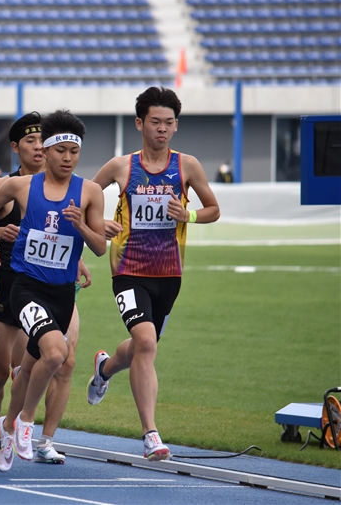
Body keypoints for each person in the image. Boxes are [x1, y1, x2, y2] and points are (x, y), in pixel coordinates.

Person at [87, 86, 220, 461]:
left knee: (143, 346)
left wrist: (188, 215)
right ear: (140, 123)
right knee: (146, 342)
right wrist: (99, 222)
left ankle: (105, 368)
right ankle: (151, 435)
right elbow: (81, 199)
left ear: (176, 126)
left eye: (169, 123)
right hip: (127, 269)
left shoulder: (187, 165)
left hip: (169, 273)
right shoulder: (121, 166)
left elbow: (213, 209)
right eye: (155, 122)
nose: (162, 129)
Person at [0, 110, 106, 472]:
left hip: (62, 293)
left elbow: (99, 248)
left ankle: (6, 425)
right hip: (25, 287)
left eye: (74, 152)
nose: (67, 158)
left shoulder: (90, 192)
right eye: (61, 150)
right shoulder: (21, 187)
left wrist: (82, 225)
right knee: (56, 353)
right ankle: (25, 424)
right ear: (45, 151)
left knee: (31, 367)